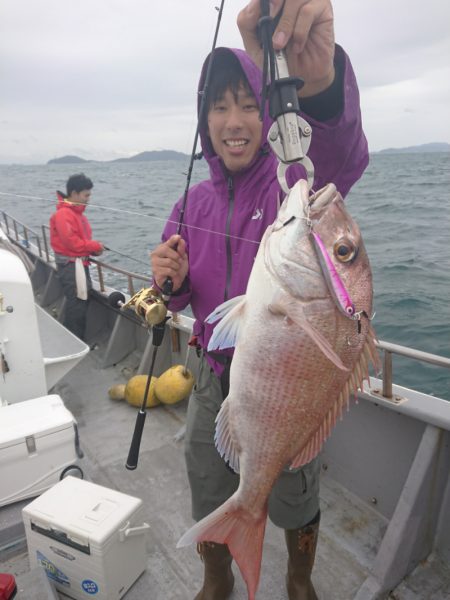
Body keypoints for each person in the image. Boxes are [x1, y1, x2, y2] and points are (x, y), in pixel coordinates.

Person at [151, 1, 368, 598]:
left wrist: (317, 83)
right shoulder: (190, 203)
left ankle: (299, 579)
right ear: (205, 122)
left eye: (248, 101)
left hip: (282, 386)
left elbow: (341, 155)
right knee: (206, 484)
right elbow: (176, 297)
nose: (233, 118)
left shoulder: (293, 182)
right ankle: (217, 577)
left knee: (297, 499)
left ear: (266, 110)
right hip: (208, 378)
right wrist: (165, 282)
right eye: (218, 106)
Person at [49, 173, 104, 340]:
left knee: (80, 301)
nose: (88, 199)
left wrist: (93, 250)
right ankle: (74, 342)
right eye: (86, 195)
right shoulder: (64, 214)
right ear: (74, 193)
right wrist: (94, 246)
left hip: (79, 265)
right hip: (70, 266)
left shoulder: (77, 214)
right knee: (76, 304)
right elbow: (72, 243)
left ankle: (73, 339)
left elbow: (80, 243)